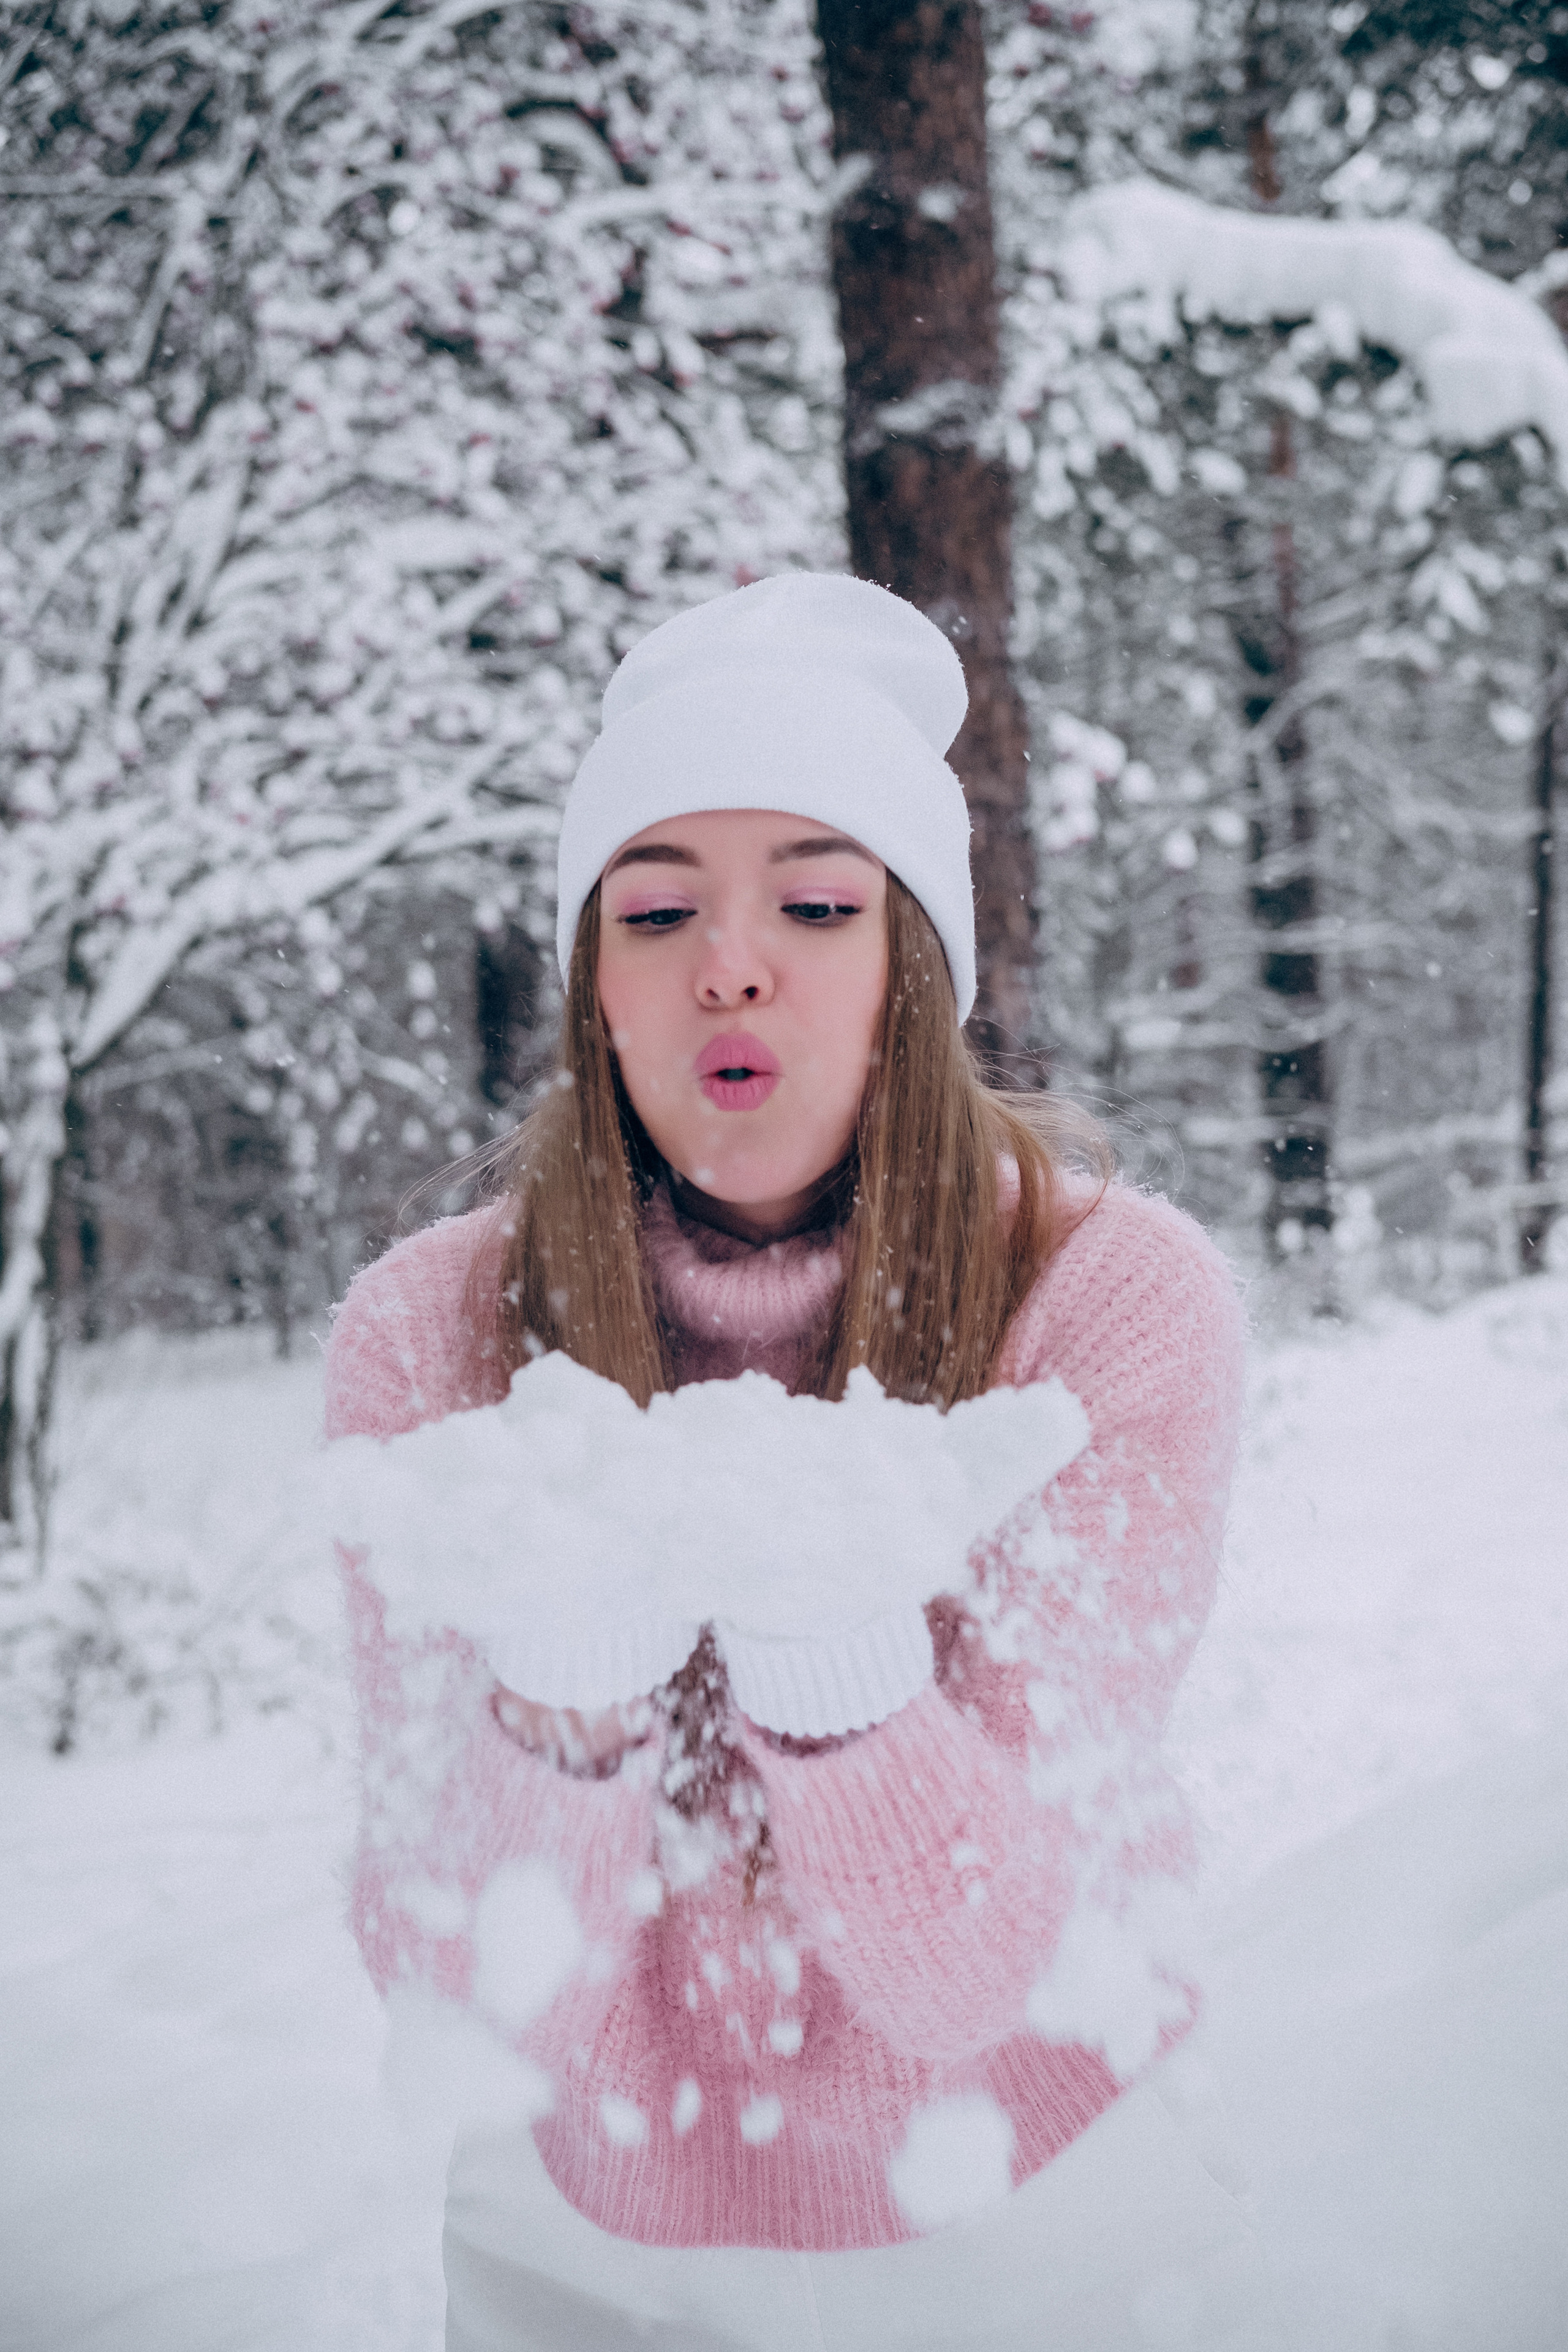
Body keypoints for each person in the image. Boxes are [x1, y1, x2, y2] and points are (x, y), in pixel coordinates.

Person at [324, 575, 1287, 2350]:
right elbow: (451, 1979)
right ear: (593, 986)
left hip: (1041, 2187)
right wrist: (566, 1695)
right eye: (656, 906)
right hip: (576, 2216)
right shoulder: (431, 1339)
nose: (730, 961)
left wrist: (841, 1667)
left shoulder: (1106, 1309)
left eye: (821, 902)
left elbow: (974, 1972)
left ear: (913, 971)